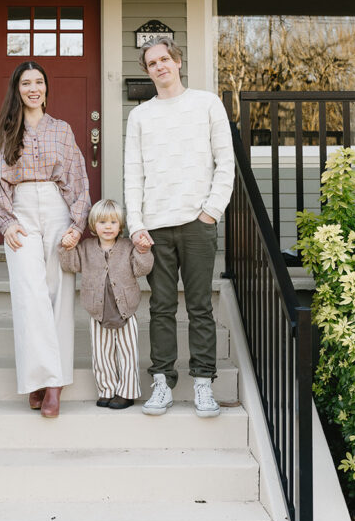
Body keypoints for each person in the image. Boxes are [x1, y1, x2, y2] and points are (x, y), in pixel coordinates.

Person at [124, 37, 234, 418]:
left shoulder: (207, 104)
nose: (160, 66)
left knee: (201, 306)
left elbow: (226, 163)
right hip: (155, 227)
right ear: (147, 70)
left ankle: (203, 384)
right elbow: (133, 172)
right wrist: (135, 223)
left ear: (178, 62)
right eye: (152, 62)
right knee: (162, 307)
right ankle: (162, 383)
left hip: (196, 223)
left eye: (165, 59)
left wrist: (211, 213)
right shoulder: (140, 116)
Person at [0, 61, 90, 419]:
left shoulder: (62, 129)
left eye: (38, 82)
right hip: (21, 210)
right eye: (26, 82)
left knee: (59, 291)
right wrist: (5, 221)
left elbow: (77, 178)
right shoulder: (3, 129)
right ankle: (38, 377)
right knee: (30, 293)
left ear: (46, 88)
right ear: (17, 88)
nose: (33, 88)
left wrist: (77, 222)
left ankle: (53, 383)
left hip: (56, 207)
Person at [59, 199, 153, 410]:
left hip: (125, 311)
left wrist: (143, 251)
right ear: (93, 225)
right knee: (102, 354)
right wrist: (66, 248)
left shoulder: (128, 246)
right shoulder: (86, 248)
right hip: (98, 312)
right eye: (102, 222)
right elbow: (70, 264)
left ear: (120, 225)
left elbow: (142, 269)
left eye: (113, 222)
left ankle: (127, 392)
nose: (108, 226)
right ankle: (107, 389)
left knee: (127, 353)